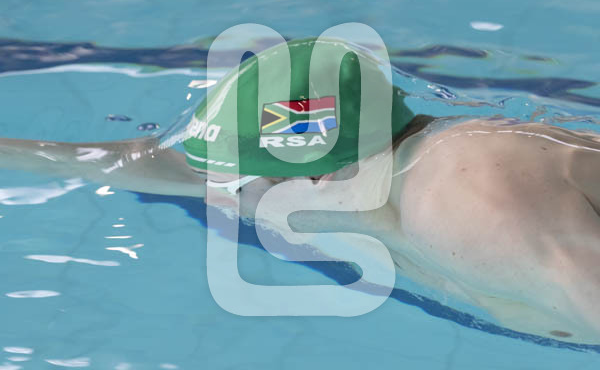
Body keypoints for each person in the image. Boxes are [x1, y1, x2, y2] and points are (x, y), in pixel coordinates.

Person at [2, 38, 600, 344]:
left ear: (323, 176)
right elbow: (156, 166)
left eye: (247, 177)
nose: (233, 191)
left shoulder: (471, 205)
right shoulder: (359, 179)